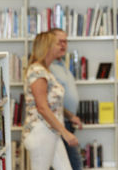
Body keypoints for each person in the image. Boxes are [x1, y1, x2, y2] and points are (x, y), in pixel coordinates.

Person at [23, 31, 78, 170]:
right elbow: (42, 107)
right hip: (41, 132)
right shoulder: (37, 71)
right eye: (57, 43)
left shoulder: (46, 70)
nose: (61, 46)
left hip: (52, 132)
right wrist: (65, 132)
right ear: (47, 47)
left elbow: (54, 105)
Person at [49, 28, 83, 170]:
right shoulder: (48, 67)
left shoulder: (62, 64)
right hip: (58, 124)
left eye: (65, 41)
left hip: (67, 122)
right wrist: (69, 116)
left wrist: (71, 116)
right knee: (75, 165)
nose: (63, 45)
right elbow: (49, 102)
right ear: (50, 43)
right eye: (59, 42)